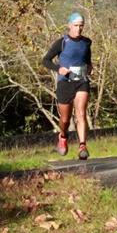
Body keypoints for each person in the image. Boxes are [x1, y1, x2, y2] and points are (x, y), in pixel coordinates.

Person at [42, 12, 93, 160]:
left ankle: (82, 146)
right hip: (65, 83)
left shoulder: (86, 42)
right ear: (69, 25)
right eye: (76, 26)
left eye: (81, 26)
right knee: (65, 119)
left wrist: (89, 66)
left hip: (82, 81)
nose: (78, 29)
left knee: (81, 113)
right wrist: (58, 69)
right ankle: (63, 136)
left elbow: (86, 56)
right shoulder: (62, 42)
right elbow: (45, 60)